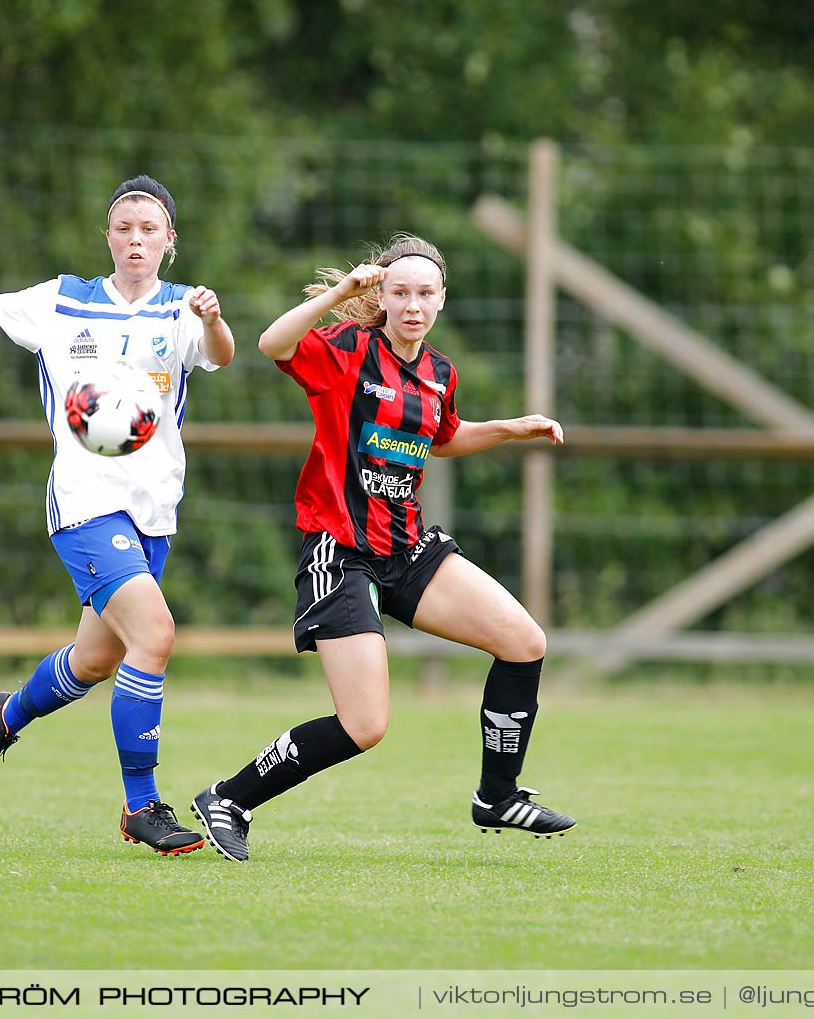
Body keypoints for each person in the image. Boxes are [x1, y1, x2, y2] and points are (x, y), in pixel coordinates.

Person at [186, 233, 573, 863]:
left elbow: (440, 437)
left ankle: (496, 797)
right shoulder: (347, 352)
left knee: (525, 642)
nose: (413, 304)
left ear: (442, 299)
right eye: (400, 292)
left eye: (425, 293)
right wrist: (340, 293)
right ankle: (229, 798)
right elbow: (271, 344)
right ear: (382, 296)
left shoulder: (440, 372)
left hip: (409, 547)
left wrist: (508, 429)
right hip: (341, 552)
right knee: (365, 727)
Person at [0, 175, 234, 857]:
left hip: (153, 509)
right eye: (123, 226)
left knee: (96, 660)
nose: (134, 238)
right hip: (85, 503)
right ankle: (141, 805)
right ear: (108, 236)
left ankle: (2, 718)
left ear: (168, 242)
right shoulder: (64, 300)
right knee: (154, 634)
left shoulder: (183, 309)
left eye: (148, 229)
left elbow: (220, 356)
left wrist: (213, 318)